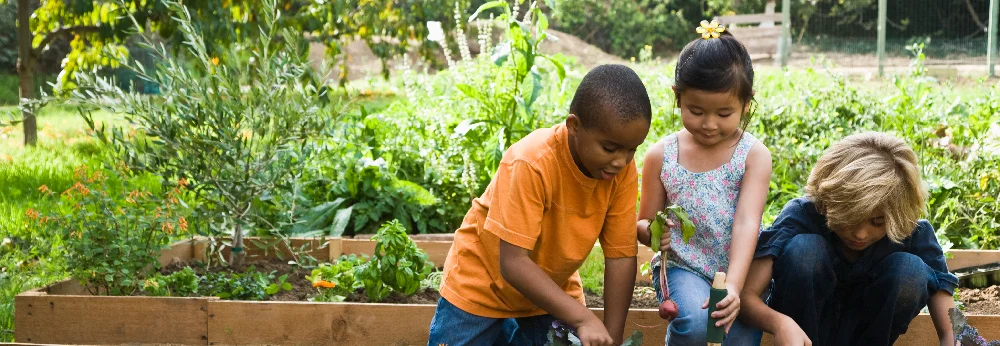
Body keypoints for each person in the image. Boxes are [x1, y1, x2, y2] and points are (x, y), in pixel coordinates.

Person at [427, 64, 652, 346]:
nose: (621, 161)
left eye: (632, 149)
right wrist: (584, 318)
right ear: (574, 126)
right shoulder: (531, 162)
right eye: (609, 148)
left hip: (550, 291)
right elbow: (513, 263)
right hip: (482, 284)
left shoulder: (619, 173)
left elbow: (620, 257)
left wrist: (613, 337)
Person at [733, 132, 958, 346]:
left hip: (870, 336)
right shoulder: (802, 216)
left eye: (877, 223)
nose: (860, 234)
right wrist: (780, 323)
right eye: (849, 220)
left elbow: (951, 330)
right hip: (802, 334)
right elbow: (747, 297)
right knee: (805, 250)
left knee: (911, 270)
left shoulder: (912, 232)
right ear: (826, 203)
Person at [636, 20, 773, 346]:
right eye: (696, 111)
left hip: (742, 270)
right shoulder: (661, 155)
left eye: (724, 113)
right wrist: (654, 232)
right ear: (677, 97)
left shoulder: (753, 155)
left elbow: (747, 222)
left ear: (746, 103)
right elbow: (642, 223)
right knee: (697, 324)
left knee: (737, 336)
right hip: (685, 267)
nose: (709, 124)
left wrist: (735, 288)